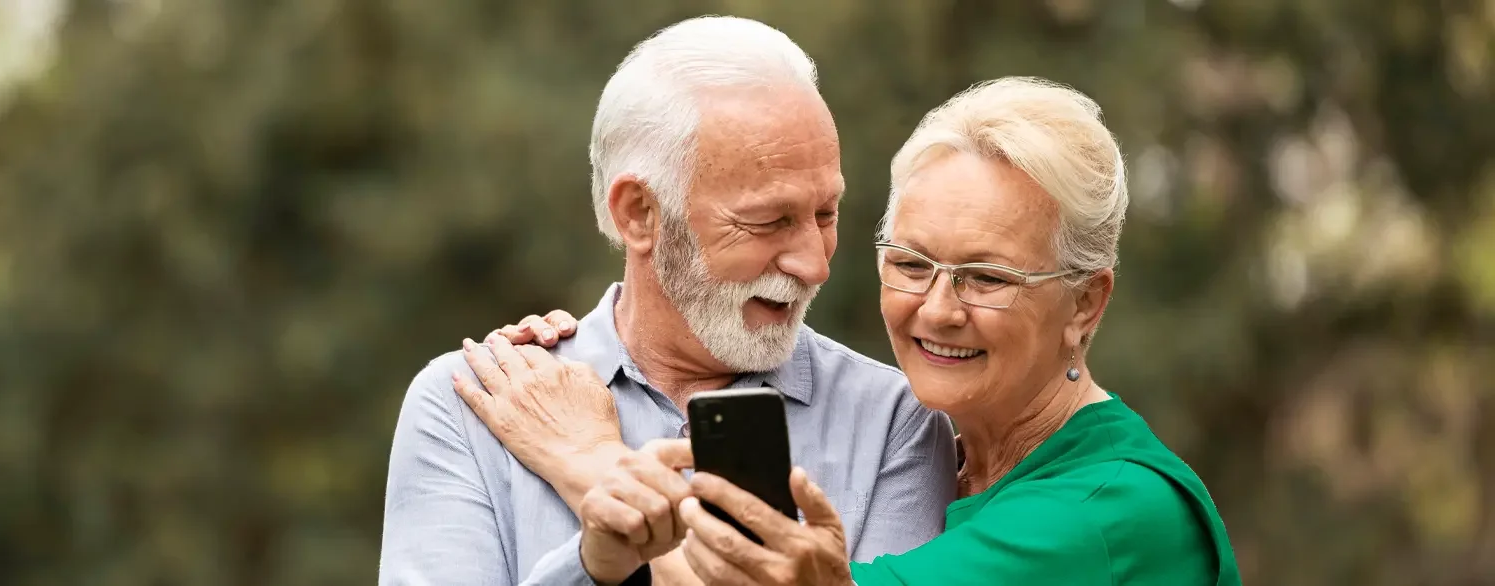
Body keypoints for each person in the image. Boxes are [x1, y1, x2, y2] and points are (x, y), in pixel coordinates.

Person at [466, 76, 1243, 585]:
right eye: (911, 263)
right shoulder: (928, 441)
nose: (937, 308)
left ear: (1085, 304)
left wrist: (590, 457)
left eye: (987, 278)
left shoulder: (1112, 512)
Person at [377, 16, 959, 586]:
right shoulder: (465, 404)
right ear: (639, 214)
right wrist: (591, 565)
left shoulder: (897, 422)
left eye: (825, 213)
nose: (816, 264)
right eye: (767, 220)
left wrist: (591, 466)